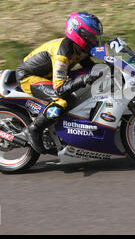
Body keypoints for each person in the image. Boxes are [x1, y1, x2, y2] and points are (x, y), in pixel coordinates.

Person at [15, 12, 104, 154]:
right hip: (29, 77)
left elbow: (89, 66)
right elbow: (59, 88)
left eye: (95, 36)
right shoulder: (62, 54)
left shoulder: (81, 49)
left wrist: (111, 65)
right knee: (62, 100)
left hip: (49, 76)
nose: (94, 40)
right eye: (91, 36)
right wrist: (83, 79)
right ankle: (33, 130)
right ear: (79, 34)